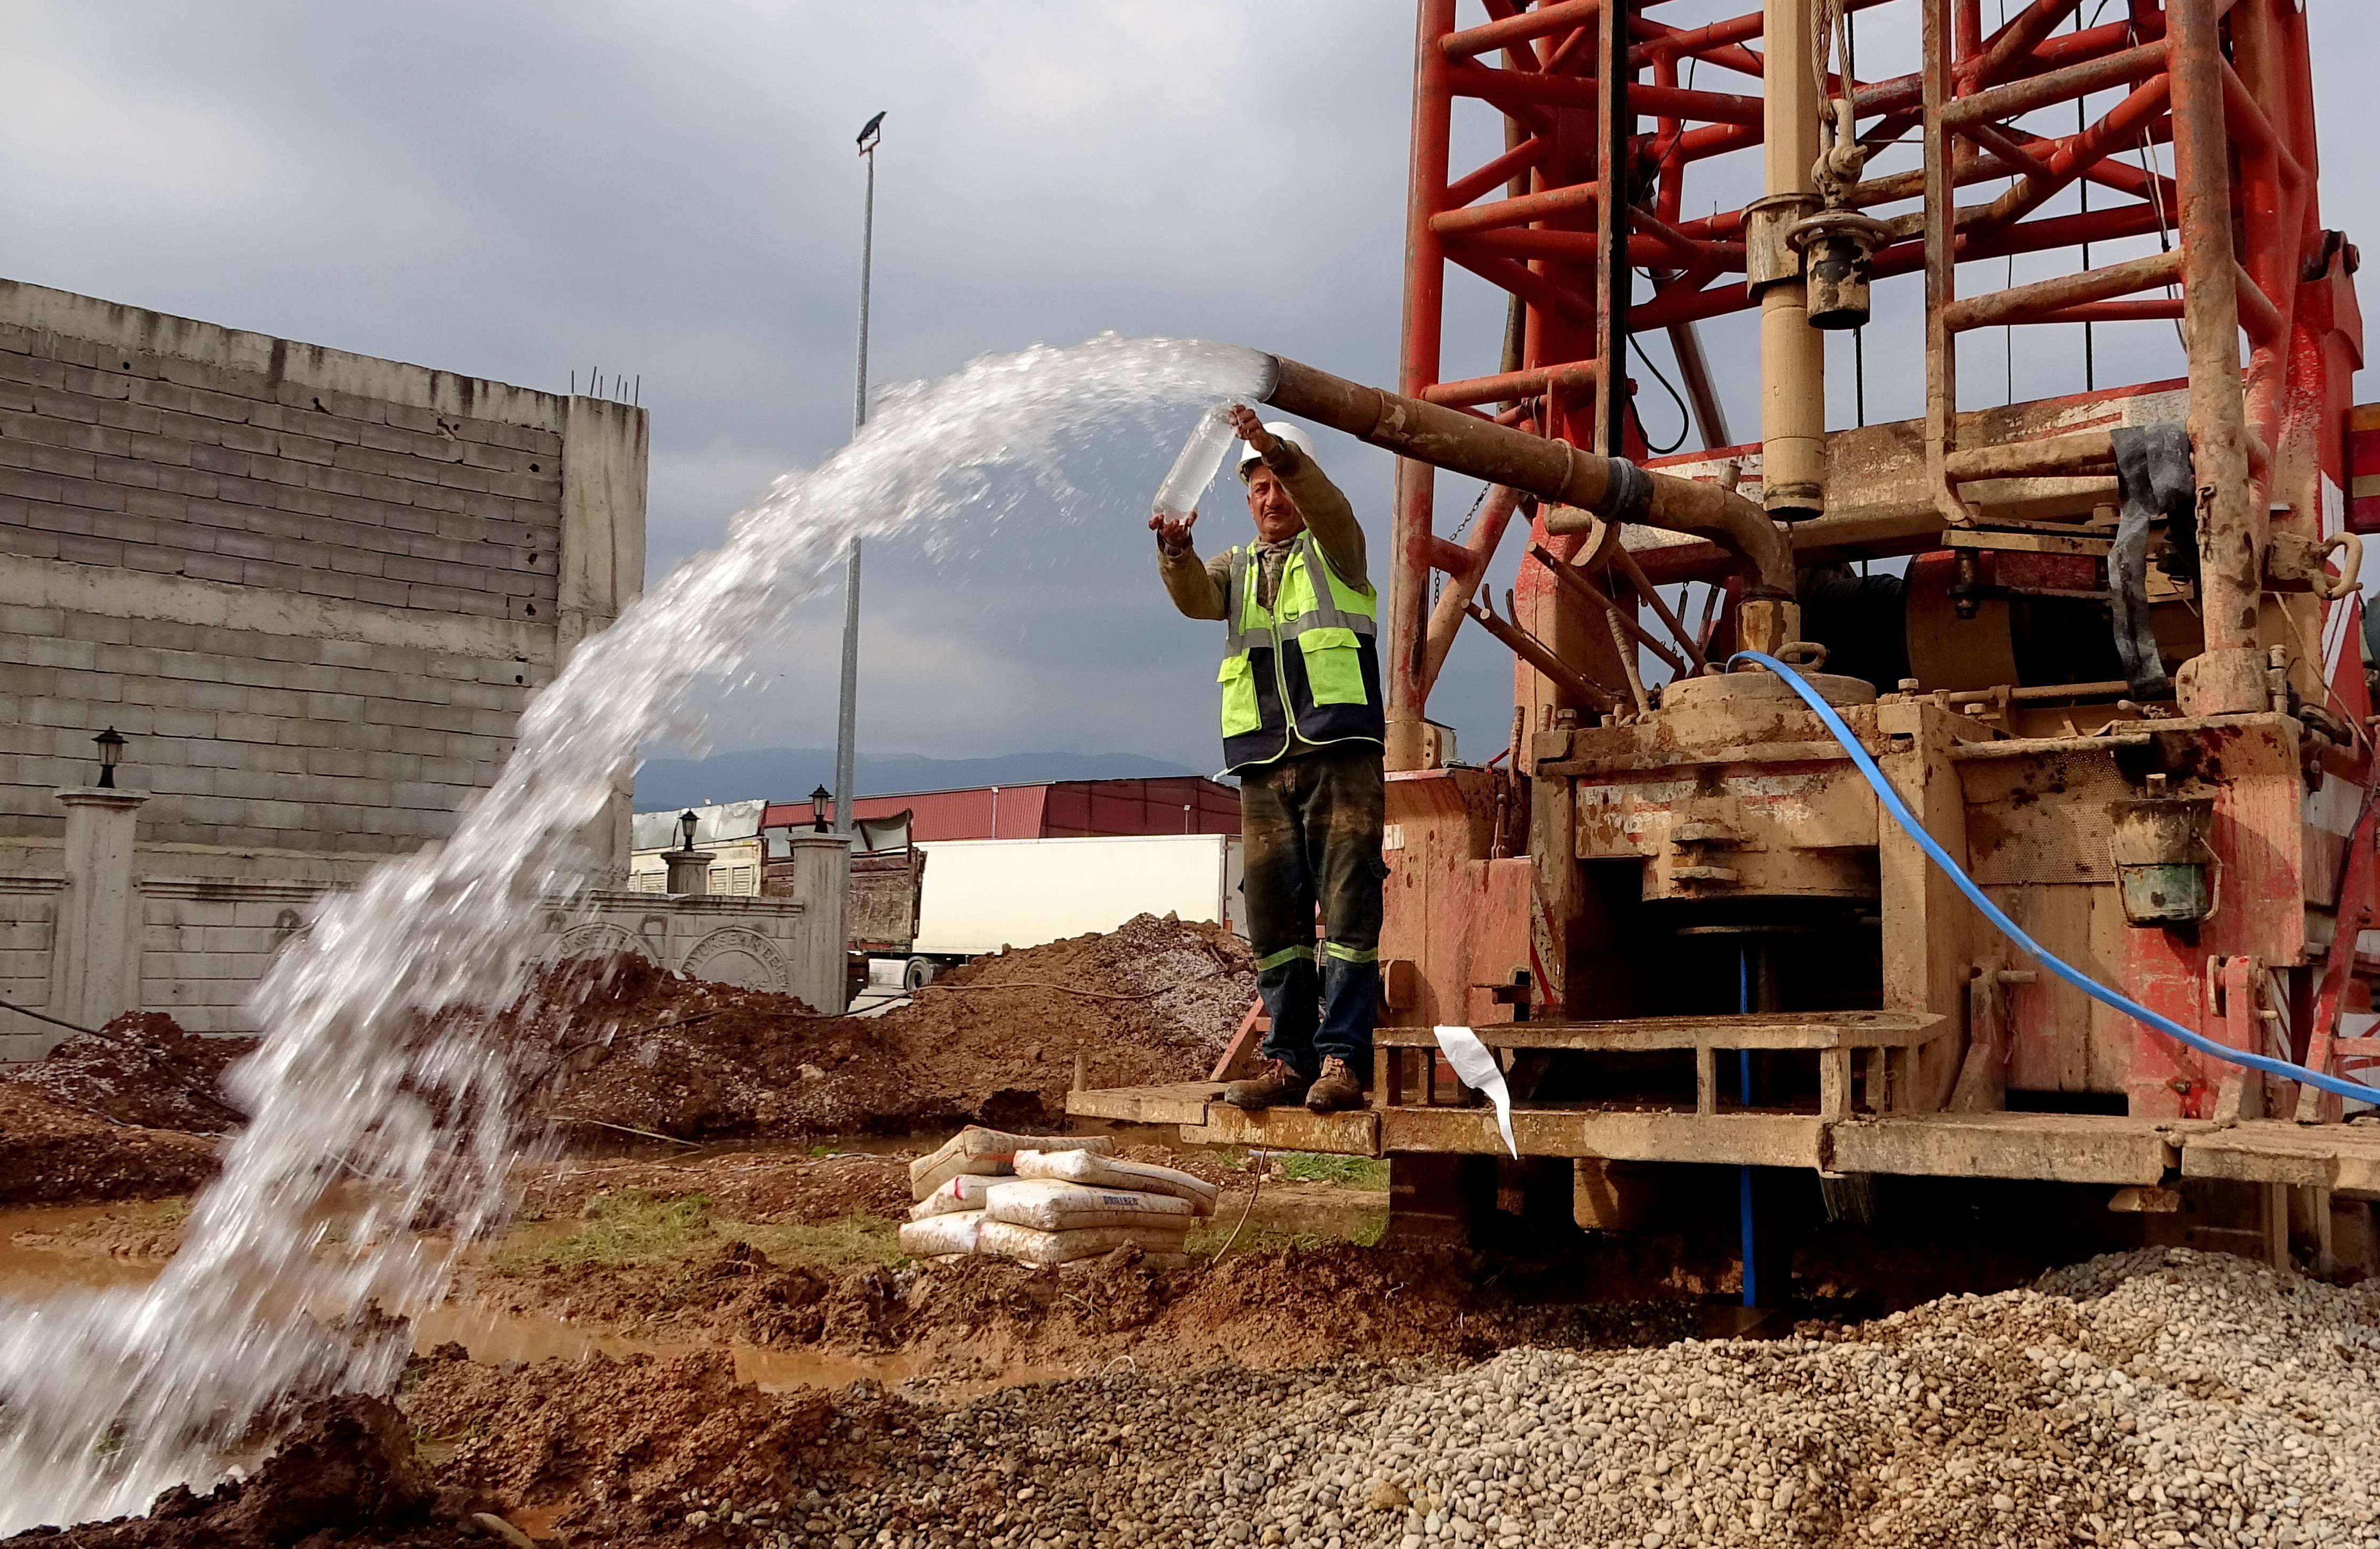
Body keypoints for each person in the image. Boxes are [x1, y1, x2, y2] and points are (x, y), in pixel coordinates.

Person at [1149, 404, 1385, 1113]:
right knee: (1274, 923)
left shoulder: (1337, 547)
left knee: (1347, 911)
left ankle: (1342, 1058)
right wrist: (1174, 552)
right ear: (1246, 498)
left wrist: (1271, 447)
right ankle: (1289, 1059)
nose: (1270, 498)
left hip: (1337, 752)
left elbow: (1329, 504)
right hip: (1263, 762)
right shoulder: (1237, 566)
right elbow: (1194, 599)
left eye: (1278, 482)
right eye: (1256, 487)